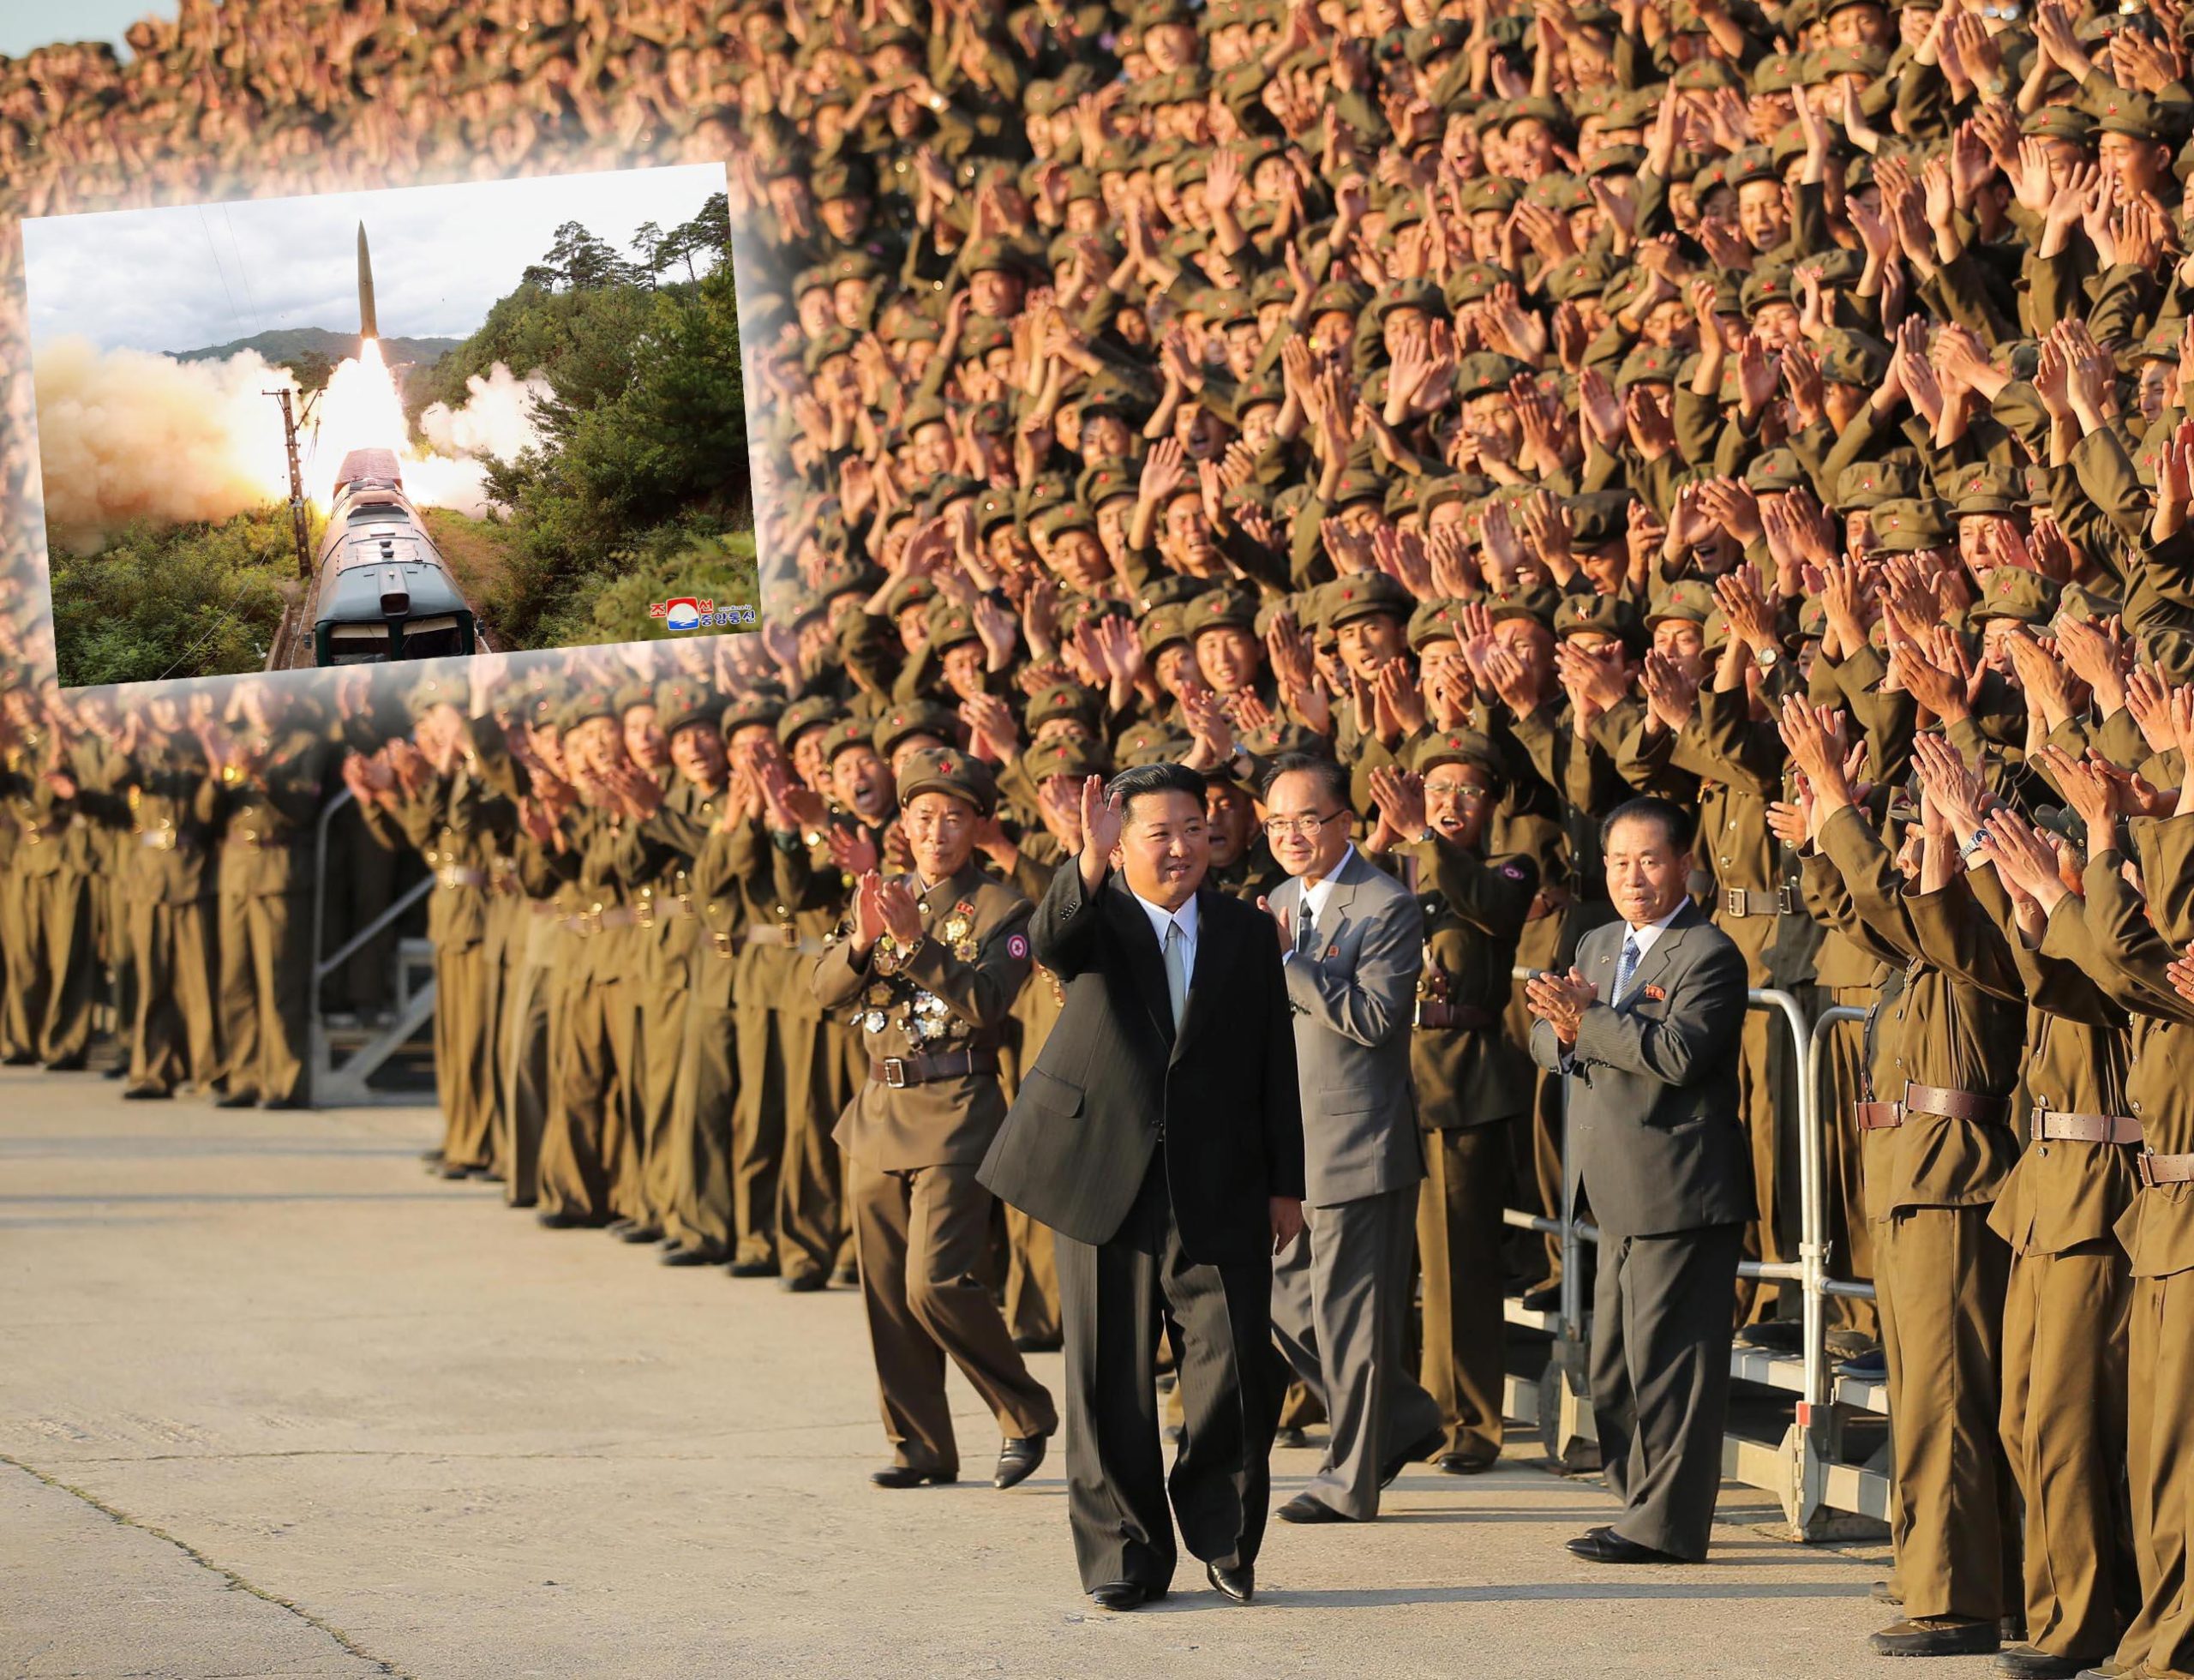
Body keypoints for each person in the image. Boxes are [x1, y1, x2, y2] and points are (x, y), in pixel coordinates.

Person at [980, 762, 1304, 1611]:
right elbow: (1050, 941)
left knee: (1234, 1366)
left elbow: (1275, 1061)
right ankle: (1123, 1551)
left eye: (1193, 828)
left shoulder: (1243, 929)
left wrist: (1287, 1183)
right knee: (1106, 1378)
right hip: (1101, 1173)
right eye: (1158, 832)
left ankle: (1225, 1536)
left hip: (1222, 1178)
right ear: (1119, 841)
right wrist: (1081, 864)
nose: (1181, 847)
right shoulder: (1092, 918)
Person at [812, 747, 1058, 1491]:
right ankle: (920, 1445)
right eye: (924, 816)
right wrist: (862, 940)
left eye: (954, 817)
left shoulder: (1004, 908)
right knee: (886, 1291)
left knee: (935, 1281)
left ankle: (1025, 1412)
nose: (938, 832)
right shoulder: (881, 895)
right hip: (880, 1110)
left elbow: (987, 1003)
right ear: (904, 825)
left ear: (978, 825)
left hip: (958, 1110)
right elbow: (825, 993)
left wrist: (915, 944)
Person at [1526, 795, 1751, 1564]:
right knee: (1615, 1367)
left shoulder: (1708, 952)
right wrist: (1566, 1030)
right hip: (1608, 1185)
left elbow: (1681, 1054)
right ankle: (1637, 1506)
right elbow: (1539, 1032)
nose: (1634, 877)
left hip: (1679, 1188)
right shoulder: (1594, 942)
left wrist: (1584, 1024)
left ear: (1686, 863)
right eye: (1619, 861)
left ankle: (1669, 1527)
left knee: (1673, 1368)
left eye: (1650, 860)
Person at [1257, 753, 1444, 1523]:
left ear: (1344, 821)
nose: (1291, 835)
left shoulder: (1387, 906)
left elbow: (1374, 1021)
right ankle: (1399, 1418)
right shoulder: (1276, 899)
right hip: (1291, 1145)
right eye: (1276, 822)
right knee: (1283, 1306)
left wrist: (1292, 964)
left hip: (1358, 1144)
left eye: (1308, 818)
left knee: (1351, 1321)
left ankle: (1350, 1478)